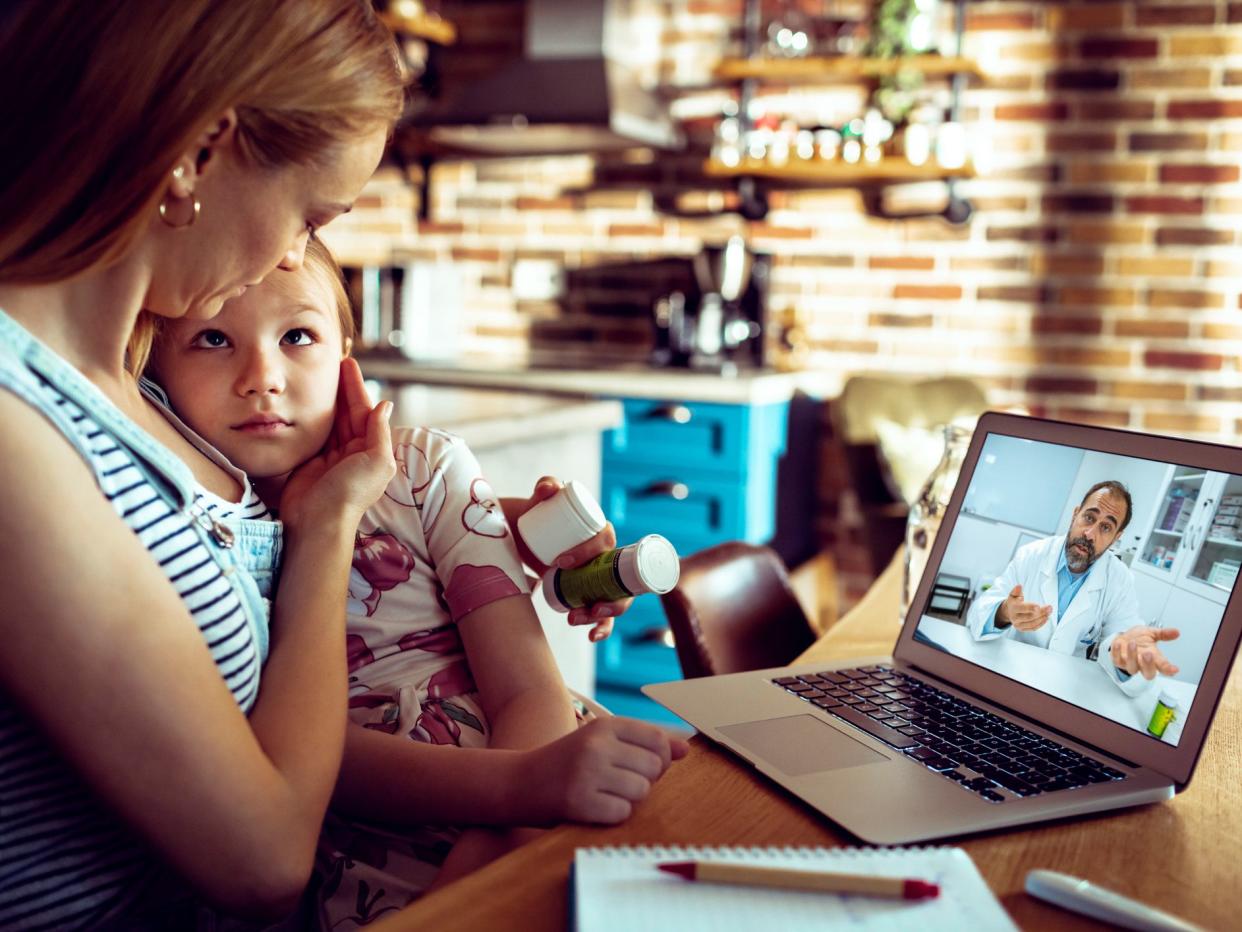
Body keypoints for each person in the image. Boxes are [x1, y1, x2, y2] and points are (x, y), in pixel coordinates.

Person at [0, 1, 409, 927]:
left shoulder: (135, 381)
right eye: (309, 214)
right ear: (199, 150)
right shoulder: (11, 425)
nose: (296, 254)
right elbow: (262, 856)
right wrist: (329, 525)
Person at [143, 237, 688, 927]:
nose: (262, 377)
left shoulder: (426, 473)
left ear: (348, 358)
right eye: (214, 337)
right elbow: (305, 766)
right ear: (154, 370)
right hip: (376, 863)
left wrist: (492, 854)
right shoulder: (188, 537)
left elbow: (527, 689)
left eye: (298, 335)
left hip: (544, 790)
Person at [965, 481, 1181, 696]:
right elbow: (977, 613)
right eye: (1089, 517)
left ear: (1116, 537)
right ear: (1075, 514)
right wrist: (1003, 612)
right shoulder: (1031, 555)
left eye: (1106, 527)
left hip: (1064, 693)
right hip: (1009, 677)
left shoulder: (1119, 580)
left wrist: (1125, 656)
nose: (1090, 534)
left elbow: (1127, 639)